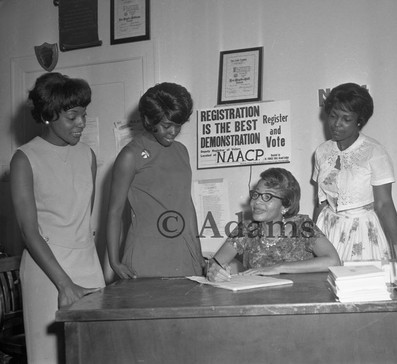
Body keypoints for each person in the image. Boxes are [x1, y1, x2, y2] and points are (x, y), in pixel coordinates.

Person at [10, 72, 105, 363]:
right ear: (49, 115)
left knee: (95, 353)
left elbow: (82, 220)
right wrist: (64, 284)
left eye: (84, 115)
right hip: (47, 271)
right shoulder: (25, 158)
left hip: (88, 265)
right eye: (72, 116)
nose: (81, 124)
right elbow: (29, 232)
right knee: (49, 357)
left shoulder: (87, 155)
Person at [106, 82, 205, 279]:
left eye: (179, 125)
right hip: (147, 255)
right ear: (148, 119)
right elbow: (114, 212)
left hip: (183, 253)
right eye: (167, 125)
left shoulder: (181, 151)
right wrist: (114, 262)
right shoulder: (130, 155)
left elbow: (187, 205)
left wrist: (198, 253)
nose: (173, 132)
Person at [312, 82, 397, 262]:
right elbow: (321, 202)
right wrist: (311, 243)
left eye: (346, 119)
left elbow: (384, 205)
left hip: (361, 233)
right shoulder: (322, 152)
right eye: (333, 116)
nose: (337, 124)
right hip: (328, 230)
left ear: (359, 121)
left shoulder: (374, 152)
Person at [207, 167, 340, 282]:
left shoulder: (302, 226)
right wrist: (214, 272)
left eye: (267, 197)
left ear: (285, 205)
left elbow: (333, 260)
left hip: (299, 301)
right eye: (256, 195)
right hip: (256, 302)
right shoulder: (246, 229)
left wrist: (278, 268)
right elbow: (214, 263)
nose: (257, 202)